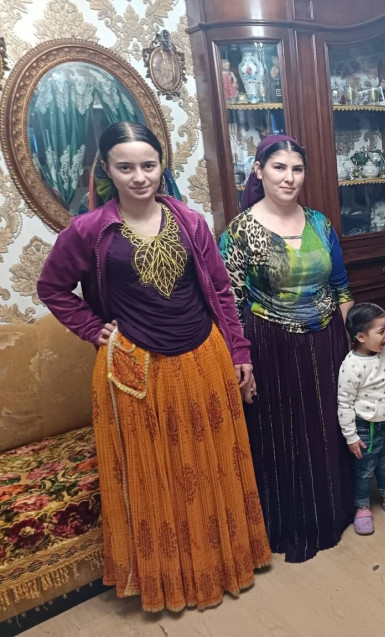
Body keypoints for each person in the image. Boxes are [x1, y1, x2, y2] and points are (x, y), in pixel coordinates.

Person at [36, 122, 271, 612]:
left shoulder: (190, 221)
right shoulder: (88, 230)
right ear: (106, 169)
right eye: (126, 167)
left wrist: (239, 353)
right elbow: (52, 288)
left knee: (211, 465)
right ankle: (173, 580)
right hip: (136, 369)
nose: (139, 176)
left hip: (203, 358)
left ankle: (224, 564)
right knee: (156, 476)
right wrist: (92, 328)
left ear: (162, 166)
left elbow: (221, 292)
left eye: (148, 165)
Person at [218, 134, 354, 561]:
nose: (289, 177)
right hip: (272, 346)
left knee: (328, 426)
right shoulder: (240, 232)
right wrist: (241, 364)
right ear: (259, 171)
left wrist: (353, 348)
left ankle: (333, 511)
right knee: (284, 434)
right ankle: (289, 523)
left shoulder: (320, 224)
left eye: (297, 169)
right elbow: (229, 305)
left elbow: (341, 287)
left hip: (327, 340)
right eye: (279, 167)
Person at [338, 302, 385, 535]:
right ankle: (361, 506)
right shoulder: (352, 366)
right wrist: (351, 437)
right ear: (361, 336)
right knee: (365, 468)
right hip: (365, 428)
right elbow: (344, 403)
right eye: (381, 331)